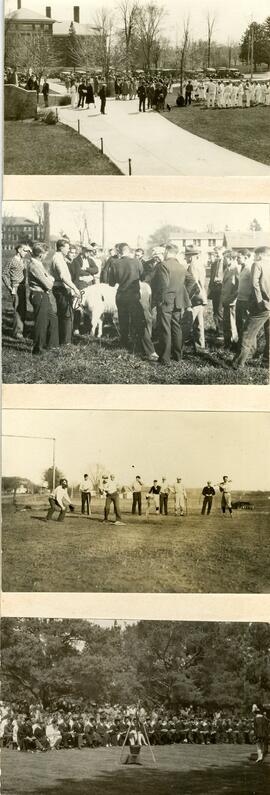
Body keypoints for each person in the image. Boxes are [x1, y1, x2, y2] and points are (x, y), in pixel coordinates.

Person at [109, 242, 157, 361]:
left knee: (123, 321)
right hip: (134, 296)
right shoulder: (136, 262)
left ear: (119, 252)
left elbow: (111, 282)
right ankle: (150, 351)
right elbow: (141, 277)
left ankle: (125, 344)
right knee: (140, 322)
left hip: (121, 296)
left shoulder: (114, 263)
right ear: (128, 250)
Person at [155, 243, 196, 365]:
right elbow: (192, 281)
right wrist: (183, 293)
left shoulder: (163, 265)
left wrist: (160, 299)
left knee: (165, 329)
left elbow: (163, 284)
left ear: (167, 251)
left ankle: (165, 358)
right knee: (176, 327)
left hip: (166, 300)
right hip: (178, 301)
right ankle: (178, 356)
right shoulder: (181, 266)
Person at [233, 245, 270, 369]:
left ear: (260, 255)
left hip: (261, 306)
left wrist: (259, 302)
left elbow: (255, 284)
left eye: (255, 255)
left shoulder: (257, 264)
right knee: (269, 335)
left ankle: (238, 364)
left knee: (247, 333)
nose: (254, 257)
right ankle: (267, 362)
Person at [28, 243, 59, 355]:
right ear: (41, 255)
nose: (46, 256)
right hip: (38, 295)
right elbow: (49, 284)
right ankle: (38, 349)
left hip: (43, 295)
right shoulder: (35, 266)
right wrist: (50, 279)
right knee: (41, 323)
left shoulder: (39, 264)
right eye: (45, 254)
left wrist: (49, 278)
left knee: (53, 318)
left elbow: (49, 278)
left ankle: (52, 346)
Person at [51, 239, 80, 345]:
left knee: (64, 314)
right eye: (67, 248)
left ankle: (63, 339)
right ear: (61, 248)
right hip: (61, 289)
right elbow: (63, 277)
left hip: (61, 288)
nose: (68, 250)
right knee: (66, 315)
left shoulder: (60, 258)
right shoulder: (58, 259)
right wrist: (75, 288)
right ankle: (66, 342)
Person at [2, 243, 30, 339]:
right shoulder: (12, 261)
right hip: (15, 287)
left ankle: (22, 330)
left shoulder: (24, 261)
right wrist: (9, 286)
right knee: (17, 309)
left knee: (23, 309)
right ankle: (17, 332)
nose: (26, 253)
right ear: (19, 250)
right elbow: (4, 274)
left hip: (23, 287)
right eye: (24, 250)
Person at [207, 248, 224, 337]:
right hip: (215, 288)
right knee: (215, 310)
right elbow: (211, 278)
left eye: (218, 253)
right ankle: (217, 328)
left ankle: (221, 332)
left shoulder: (225, 263)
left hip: (222, 288)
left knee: (220, 310)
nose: (216, 254)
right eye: (215, 253)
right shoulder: (214, 264)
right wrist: (209, 289)